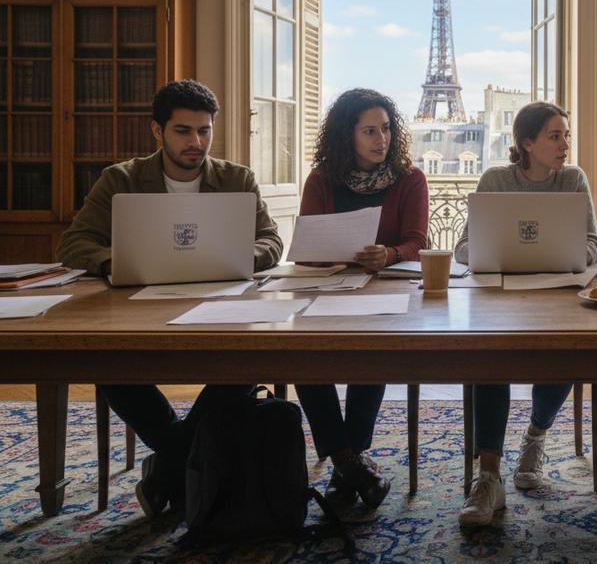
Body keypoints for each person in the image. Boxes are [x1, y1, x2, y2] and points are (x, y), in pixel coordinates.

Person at [57, 79, 282, 517]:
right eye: (183, 131)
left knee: (248, 360)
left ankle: (168, 468)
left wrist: (238, 255)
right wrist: (116, 263)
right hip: (137, 306)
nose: (196, 142)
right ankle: (180, 458)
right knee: (106, 362)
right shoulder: (120, 180)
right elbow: (73, 245)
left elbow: (271, 241)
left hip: (222, 304)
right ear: (157, 131)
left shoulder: (237, 179)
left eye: (205, 130)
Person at [454, 101, 597, 525]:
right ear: (527, 143)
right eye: (555, 136)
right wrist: (500, 255)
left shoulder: (574, 179)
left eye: (566, 136)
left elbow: (595, 246)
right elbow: (464, 248)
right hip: (500, 297)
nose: (564, 145)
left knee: (566, 350)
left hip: (557, 295)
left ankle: (535, 435)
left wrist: (565, 257)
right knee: (489, 355)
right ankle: (487, 476)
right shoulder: (495, 180)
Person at [293, 88, 429, 512]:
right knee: (300, 352)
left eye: (386, 128)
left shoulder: (410, 178)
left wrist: (388, 254)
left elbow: (417, 243)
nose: (381, 139)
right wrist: (327, 253)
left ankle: (345, 461)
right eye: (369, 130)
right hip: (328, 289)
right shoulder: (321, 179)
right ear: (346, 135)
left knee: (374, 347)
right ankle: (349, 463)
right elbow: (307, 246)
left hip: (385, 290)